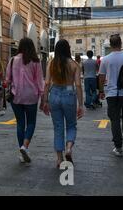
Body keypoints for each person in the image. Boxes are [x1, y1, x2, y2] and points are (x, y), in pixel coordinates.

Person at [42, 39, 84, 168]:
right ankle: (69, 148)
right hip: (69, 95)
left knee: (58, 127)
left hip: (54, 95)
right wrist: (81, 104)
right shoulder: (74, 65)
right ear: (68, 49)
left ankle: (59, 159)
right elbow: (77, 85)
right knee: (71, 125)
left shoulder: (51, 63)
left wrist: (45, 100)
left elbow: (47, 83)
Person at [5, 38, 44, 164]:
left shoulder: (12, 60)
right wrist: (43, 98)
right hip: (31, 96)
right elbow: (39, 81)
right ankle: (25, 147)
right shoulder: (35, 61)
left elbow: (7, 80)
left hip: (16, 97)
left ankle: (22, 150)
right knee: (31, 123)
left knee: (20, 124)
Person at [98, 34, 123, 157]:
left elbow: (102, 77)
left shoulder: (106, 59)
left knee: (115, 120)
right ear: (121, 43)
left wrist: (101, 91)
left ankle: (118, 148)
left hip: (112, 94)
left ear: (111, 45)